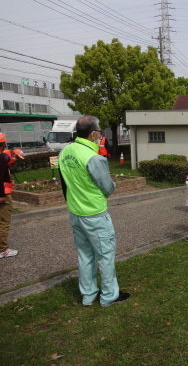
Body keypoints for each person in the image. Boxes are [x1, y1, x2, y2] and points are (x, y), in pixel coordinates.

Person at [59, 116, 130, 307]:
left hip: (75, 213)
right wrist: (112, 183)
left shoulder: (66, 152)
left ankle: (88, 294)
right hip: (95, 214)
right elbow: (107, 187)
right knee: (105, 256)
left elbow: (64, 183)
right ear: (93, 134)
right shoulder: (94, 158)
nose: (100, 135)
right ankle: (109, 296)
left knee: (84, 255)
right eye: (99, 132)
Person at [0, 133, 18, 259]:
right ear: (3, 144)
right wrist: (1, 195)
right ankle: (3, 249)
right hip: (3, 194)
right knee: (4, 223)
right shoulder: (1, 158)